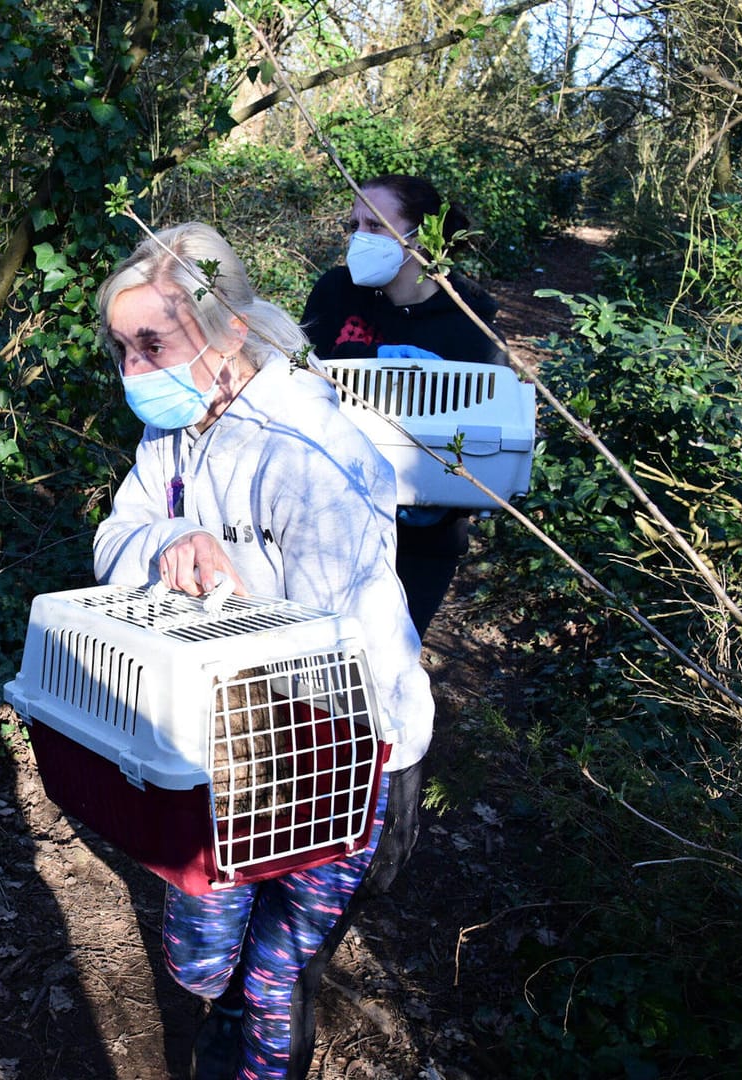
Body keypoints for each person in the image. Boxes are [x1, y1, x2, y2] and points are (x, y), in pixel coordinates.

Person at [92, 222, 433, 1080]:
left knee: (280, 972)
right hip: (226, 737)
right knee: (205, 955)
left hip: (344, 747)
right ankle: (226, 1005)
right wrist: (172, 539)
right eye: (123, 349)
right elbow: (115, 535)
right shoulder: (173, 431)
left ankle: (250, 1049)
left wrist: (236, 599)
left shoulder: (313, 452)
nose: (136, 371)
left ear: (230, 329)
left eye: (153, 344)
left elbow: (335, 644)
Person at [299, 174, 506, 640]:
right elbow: (295, 374)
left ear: (420, 239)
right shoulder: (335, 292)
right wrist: (365, 362)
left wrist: (445, 503)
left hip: (420, 539)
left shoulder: (469, 322)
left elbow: (486, 435)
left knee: (385, 661)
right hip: (328, 512)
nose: (359, 239)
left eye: (375, 227)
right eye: (353, 225)